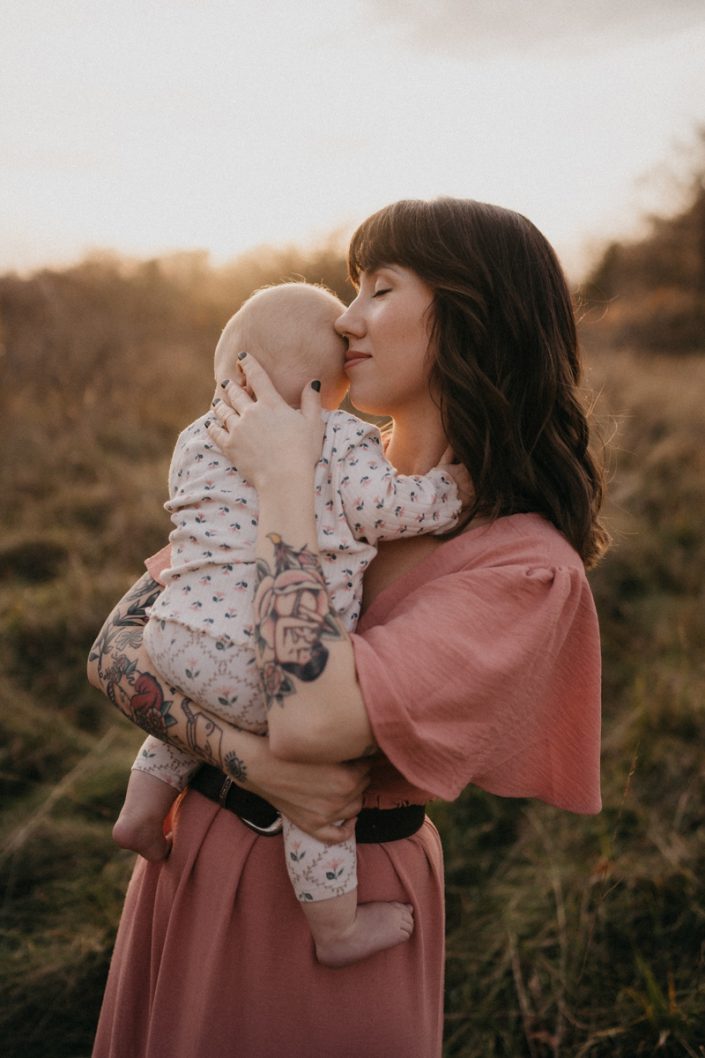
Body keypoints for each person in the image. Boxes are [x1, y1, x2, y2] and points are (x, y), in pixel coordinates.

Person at [87, 197, 607, 1058]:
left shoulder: (520, 565)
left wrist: (286, 484)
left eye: (380, 289)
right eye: (350, 286)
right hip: (191, 854)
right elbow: (114, 650)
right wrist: (244, 762)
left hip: (338, 890)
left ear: (473, 315)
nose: (346, 315)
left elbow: (308, 720)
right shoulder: (320, 453)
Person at [114, 280, 462, 966]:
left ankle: (140, 809)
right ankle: (334, 928)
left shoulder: (200, 433)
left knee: (204, 697)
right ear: (317, 386)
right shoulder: (331, 435)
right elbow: (390, 509)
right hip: (257, 651)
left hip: (171, 632)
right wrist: (454, 487)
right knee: (314, 772)